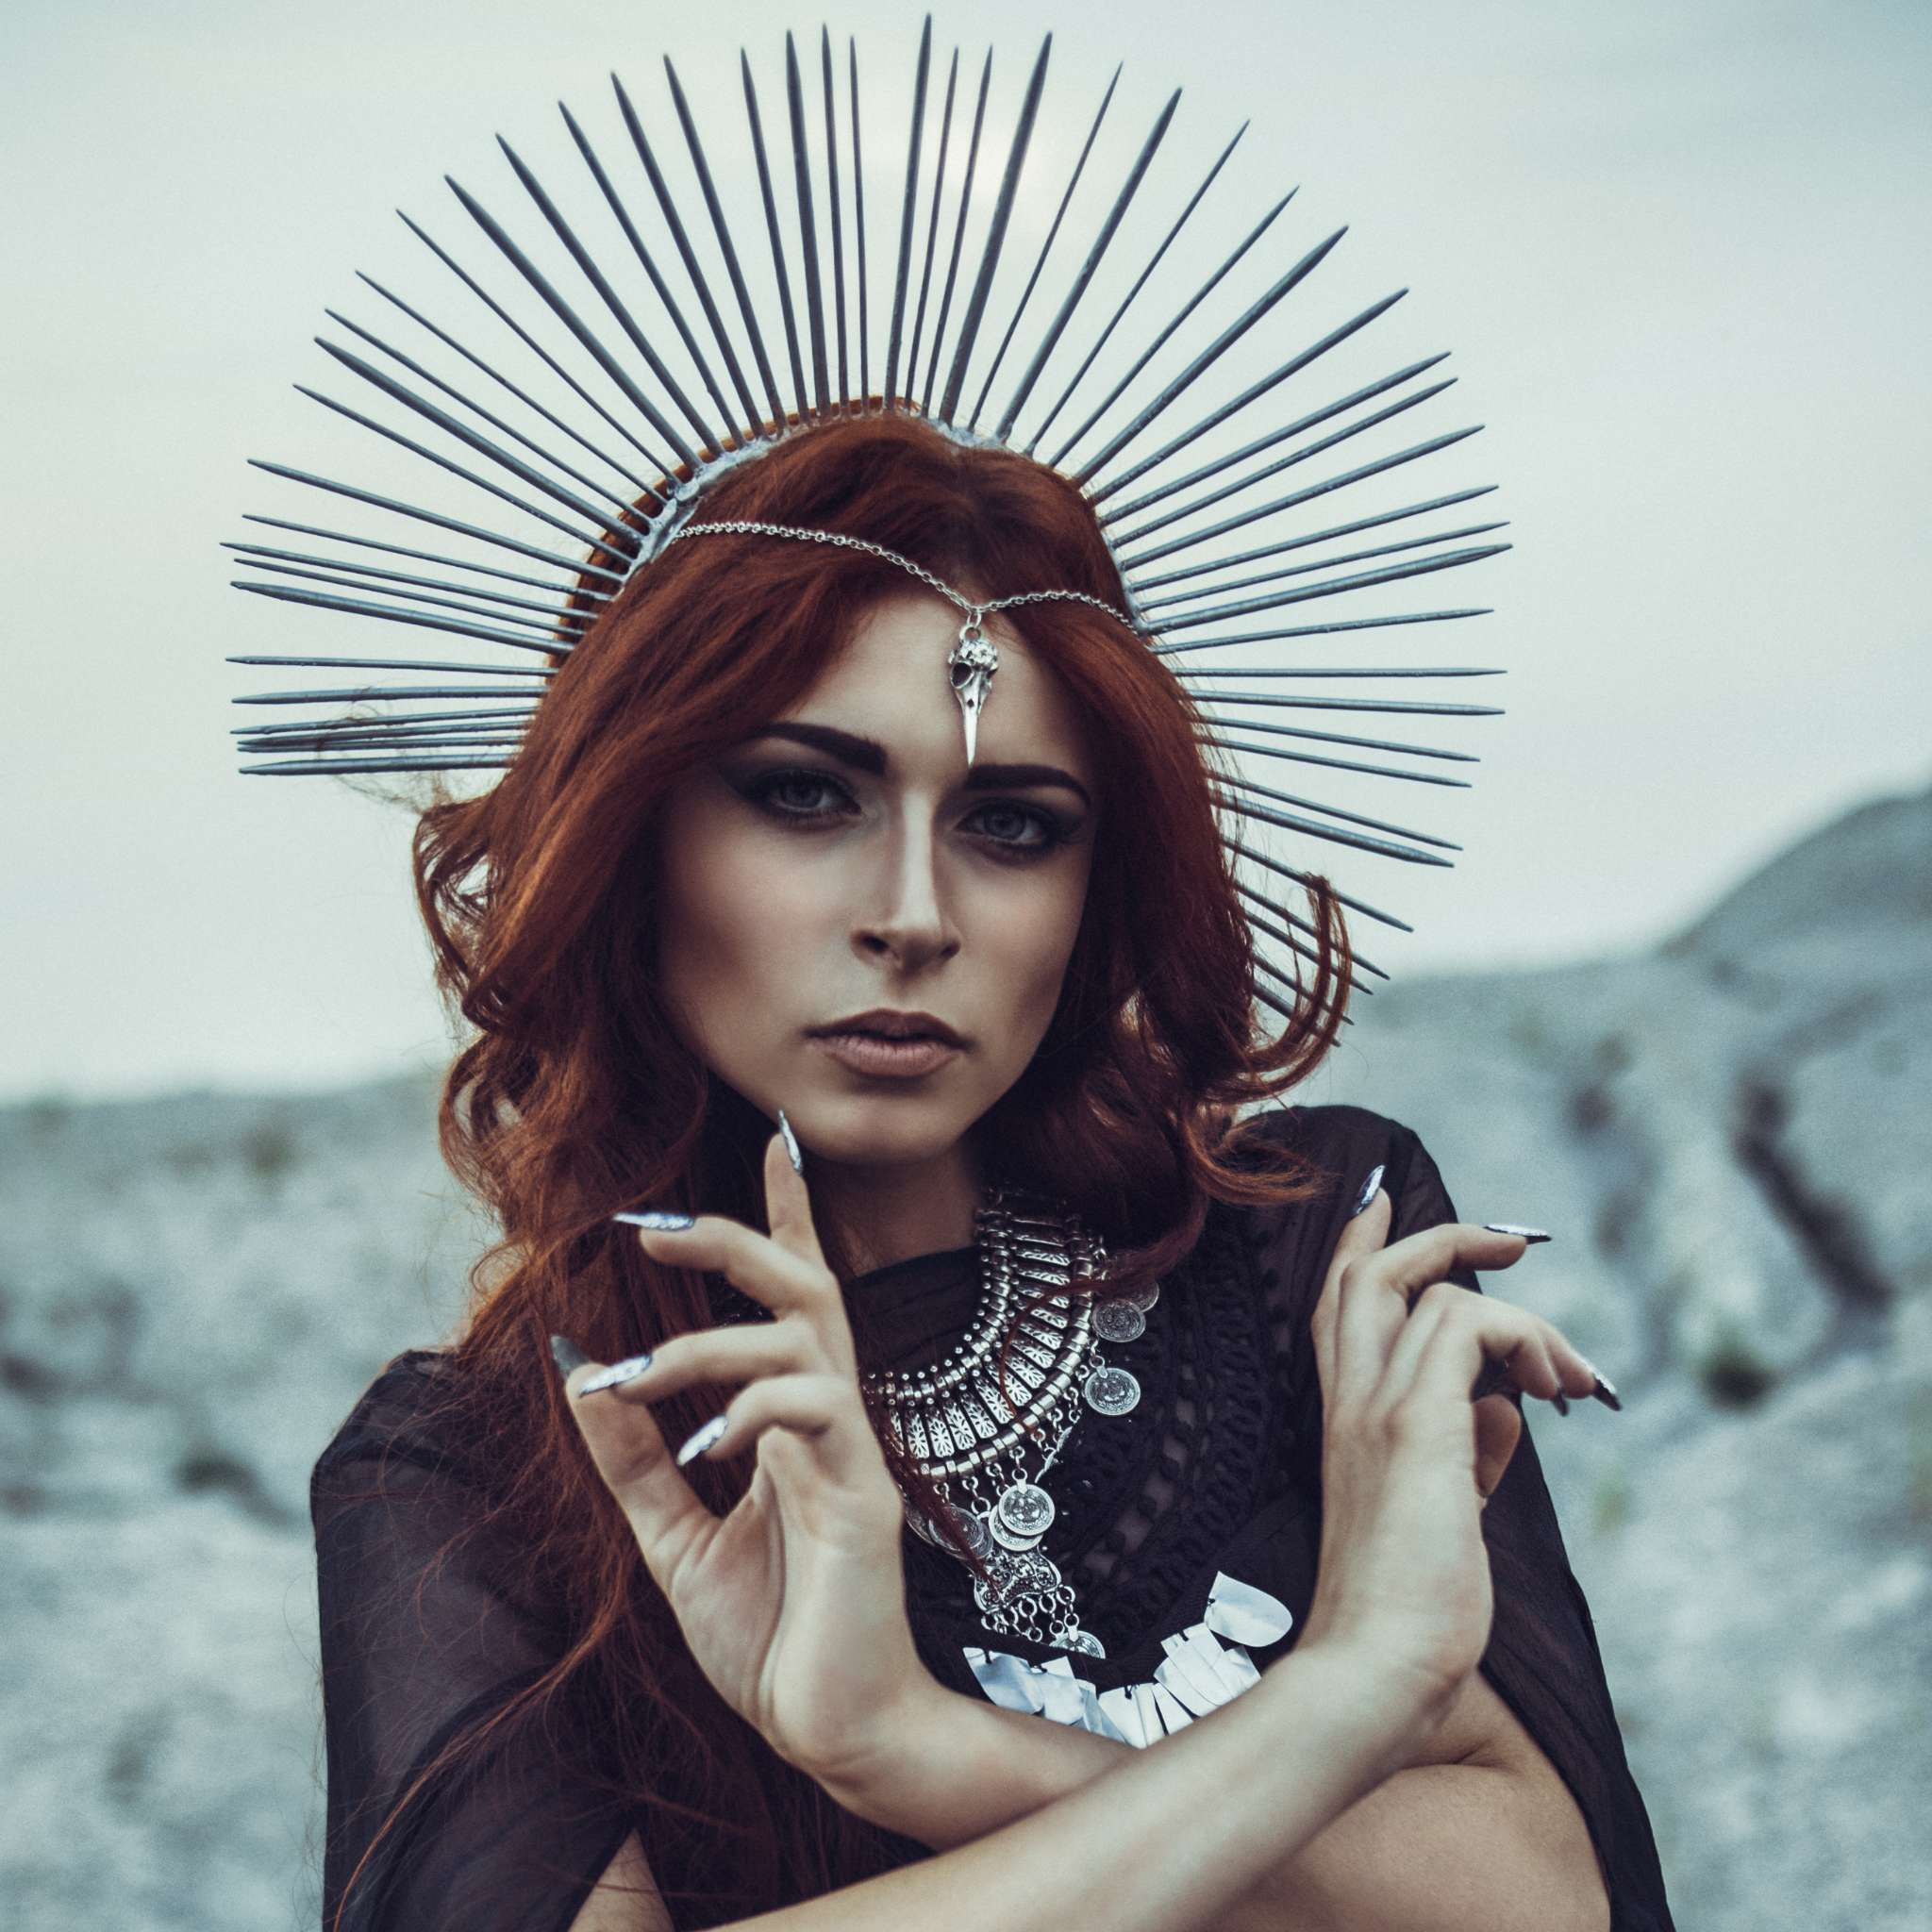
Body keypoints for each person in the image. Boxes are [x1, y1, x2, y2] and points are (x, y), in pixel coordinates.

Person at [307, 410, 1676, 1930]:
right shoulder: (481, 1470)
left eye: (1013, 824)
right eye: (806, 793)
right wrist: (1350, 1696)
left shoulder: (1317, 1252)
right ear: (633, 829)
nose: (914, 914)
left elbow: (1550, 1903)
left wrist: (926, 1749)